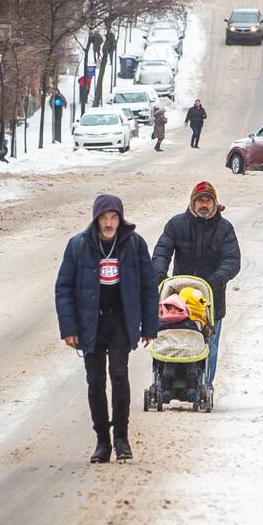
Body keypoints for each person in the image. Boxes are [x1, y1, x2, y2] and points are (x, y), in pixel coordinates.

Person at [55, 194, 158, 463]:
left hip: (120, 321)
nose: (109, 223)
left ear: (120, 219)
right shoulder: (79, 245)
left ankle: (121, 439)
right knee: (95, 382)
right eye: (104, 218)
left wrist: (149, 326)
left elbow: (148, 287)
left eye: (114, 218)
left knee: (119, 377)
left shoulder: (134, 245)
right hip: (91, 322)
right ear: (96, 219)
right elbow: (64, 288)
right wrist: (69, 328)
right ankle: (102, 442)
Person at [152, 181, 241, 393]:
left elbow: (232, 260)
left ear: (214, 203)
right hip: (178, 299)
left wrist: (216, 280)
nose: (204, 204)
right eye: (200, 200)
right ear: (193, 202)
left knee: (209, 343)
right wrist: (159, 274)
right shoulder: (176, 225)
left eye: (208, 200)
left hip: (210, 299)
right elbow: (162, 251)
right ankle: (165, 381)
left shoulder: (224, 229)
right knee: (172, 338)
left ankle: (204, 385)